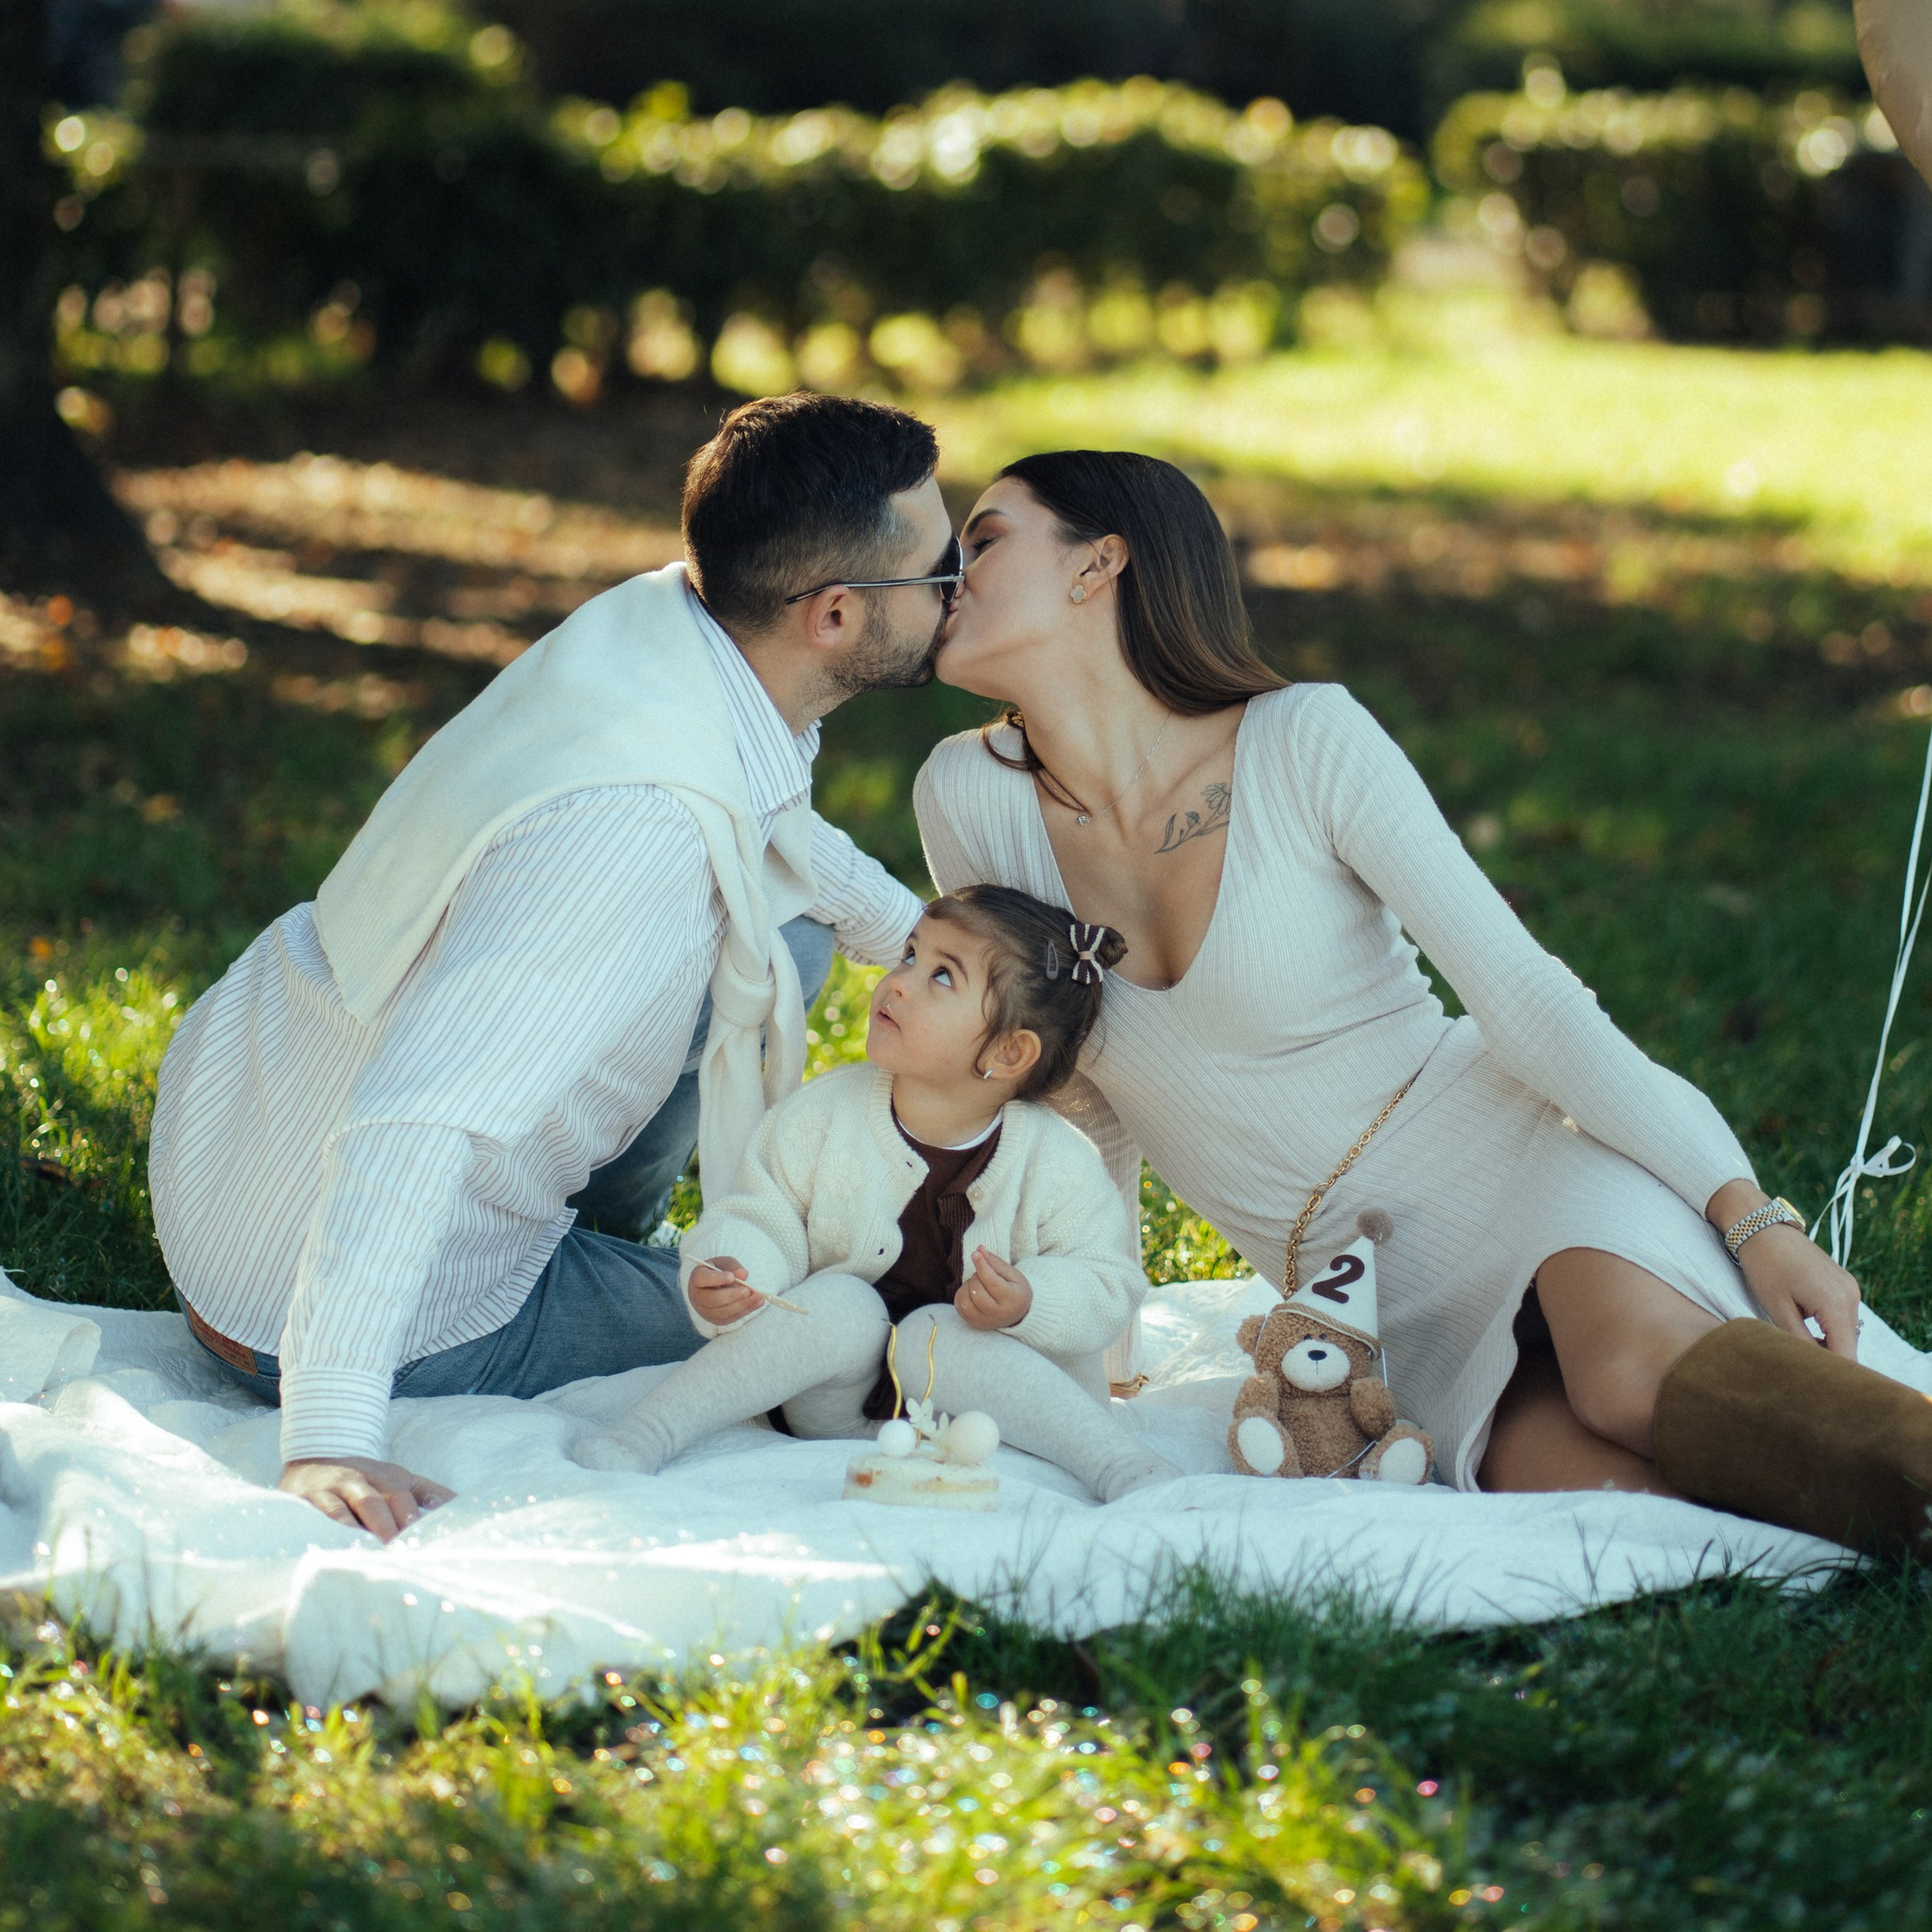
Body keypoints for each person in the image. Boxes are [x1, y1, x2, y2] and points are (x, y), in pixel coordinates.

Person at [911, 448, 1932, 1557]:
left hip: (1513, 1161)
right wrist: (1098, 1337)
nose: (942, 571)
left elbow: (1529, 1002)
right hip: (1363, 1302)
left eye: (983, 538)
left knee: (1627, 1380)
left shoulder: (1305, 739)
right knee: (1620, 1503)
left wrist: (1752, 1215)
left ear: (1096, 564)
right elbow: (1071, 1091)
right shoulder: (967, 798)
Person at [149, 394, 957, 1540]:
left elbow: (772, 824)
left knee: (789, 935)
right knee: (835, 1317)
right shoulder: (629, 833)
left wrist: (935, 948)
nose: (960, 584)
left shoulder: (671, 636)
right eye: (944, 566)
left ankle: (589, 1237)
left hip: (241, 1156)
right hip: (325, 1305)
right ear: (833, 613)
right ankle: (549, 1278)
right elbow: (409, 1122)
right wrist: (330, 1432)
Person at [572, 885, 1181, 1503]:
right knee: (841, 1302)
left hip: (998, 1412)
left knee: (938, 1336)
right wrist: (736, 1269)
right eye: (911, 955)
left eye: (942, 976)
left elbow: (1109, 1280)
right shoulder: (823, 1116)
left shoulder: (1058, 1161)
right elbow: (760, 1212)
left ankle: (1116, 1462)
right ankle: (645, 1433)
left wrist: (1031, 1301)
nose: (898, 982)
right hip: (832, 1409)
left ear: (1008, 1050)